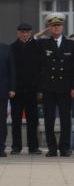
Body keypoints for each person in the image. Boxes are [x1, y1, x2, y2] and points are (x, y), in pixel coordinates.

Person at [37, 15, 74, 157]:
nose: (56, 27)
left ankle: (64, 148)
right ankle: (52, 148)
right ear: (49, 28)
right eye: (53, 25)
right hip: (48, 88)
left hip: (65, 88)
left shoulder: (71, 44)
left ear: (63, 27)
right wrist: (39, 35)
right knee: (49, 119)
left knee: (65, 120)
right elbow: (29, 45)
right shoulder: (43, 43)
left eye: (59, 25)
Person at [11, 22, 42, 155]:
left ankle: (33, 146)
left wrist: (40, 89)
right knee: (16, 120)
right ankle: (16, 146)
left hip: (32, 89)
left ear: (30, 33)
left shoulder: (36, 47)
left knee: (33, 120)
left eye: (27, 32)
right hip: (16, 90)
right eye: (22, 32)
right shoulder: (11, 48)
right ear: (18, 33)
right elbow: (10, 70)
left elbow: (41, 69)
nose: (24, 34)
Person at [0, 33, 14, 157]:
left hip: (2, 92)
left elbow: (12, 70)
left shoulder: (6, 49)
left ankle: (1, 147)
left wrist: (12, 88)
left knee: (1, 122)